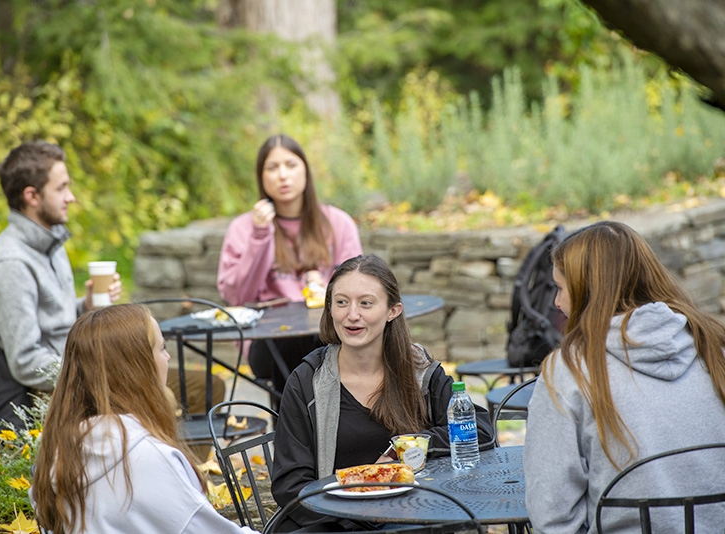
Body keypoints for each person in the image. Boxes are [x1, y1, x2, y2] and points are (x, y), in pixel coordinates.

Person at [524, 221, 725, 533]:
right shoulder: (714, 346)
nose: (556, 303)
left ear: (588, 291)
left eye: (560, 289)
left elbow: (552, 515)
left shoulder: (568, 371)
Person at [270, 254, 494, 531]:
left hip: (414, 516)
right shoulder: (308, 381)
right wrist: (357, 517)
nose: (352, 315)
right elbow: (290, 485)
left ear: (393, 311)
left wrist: (404, 450)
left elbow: (479, 430)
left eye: (366, 303)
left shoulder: (419, 372)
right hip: (337, 523)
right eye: (341, 302)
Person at [30, 304, 258, 533]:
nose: (168, 357)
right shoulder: (149, 458)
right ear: (136, 366)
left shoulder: (57, 452)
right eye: (161, 348)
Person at [0, 141, 122, 431]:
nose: (71, 197)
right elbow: (26, 361)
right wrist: (95, 372)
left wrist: (85, 306)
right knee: (164, 396)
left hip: (71, 378)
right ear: (32, 196)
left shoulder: (50, 242)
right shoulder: (12, 265)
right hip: (51, 397)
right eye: (61, 188)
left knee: (176, 384)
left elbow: (51, 322)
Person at [217, 134, 363, 392]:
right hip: (269, 343)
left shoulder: (338, 223)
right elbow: (237, 295)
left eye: (291, 165)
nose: (283, 175)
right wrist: (260, 237)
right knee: (299, 344)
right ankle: (297, 429)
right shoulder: (243, 229)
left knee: (326, 340)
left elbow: (359, 288)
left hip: (328, 334)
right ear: (261, 177)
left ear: (305, 170)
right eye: (272, 168)